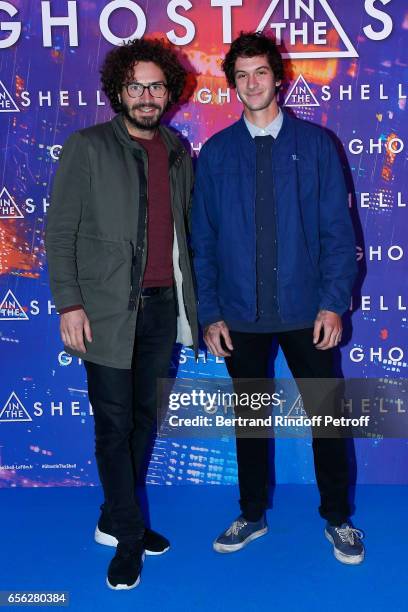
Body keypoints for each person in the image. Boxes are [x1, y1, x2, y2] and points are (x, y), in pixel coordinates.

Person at [191, 31, 364, 565]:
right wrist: (211, 311)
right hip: (241, 313)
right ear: (232, 85)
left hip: (309, 312)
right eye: (241, 76)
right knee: (250, 421)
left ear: (278, 76)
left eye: (260, 72)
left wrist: (334, 303)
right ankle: (252, 513)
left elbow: (339, 232)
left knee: (328, 419)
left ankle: (338, 519)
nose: (251, 83)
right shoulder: (217, 153)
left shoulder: (316, 146)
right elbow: (204, 239)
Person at [46, 38, 198, 590]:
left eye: (156, 86)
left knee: (141, 421)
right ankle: (128, 540)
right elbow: (60, 234)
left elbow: (184, 235)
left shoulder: (178, 151)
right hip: (107, 312)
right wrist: (70, 303)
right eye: (136, 85)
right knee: (113, 427)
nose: (147, 95)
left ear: (169, 93)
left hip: (161, 311)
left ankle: (116, 516)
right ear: (117, 90)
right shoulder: (86, 147)